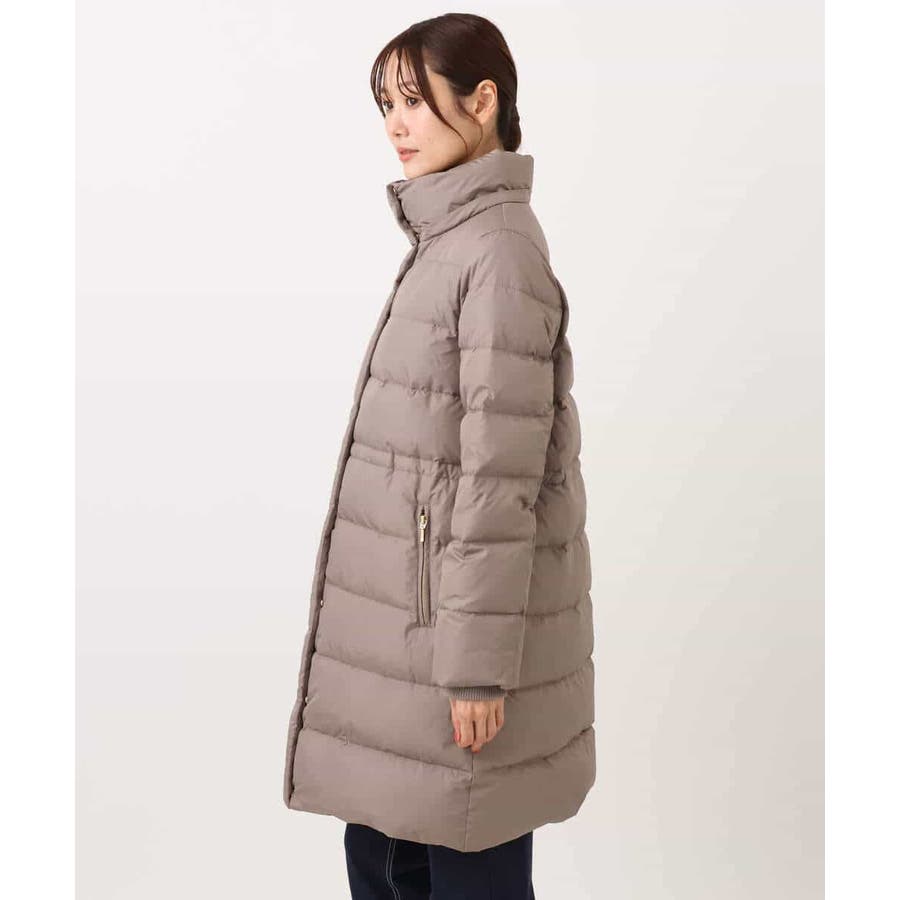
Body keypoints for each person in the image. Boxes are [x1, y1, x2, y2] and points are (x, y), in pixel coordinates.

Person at [283, 13, 595, 898]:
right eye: (386, 104)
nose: (396, 124)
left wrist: (479, 670)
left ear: (483, 101)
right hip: (407, 651)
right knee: (385, 863)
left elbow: (502, 478)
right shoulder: (449, 242)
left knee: (466, 872)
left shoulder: (495, 254)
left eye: (415, 101)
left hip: (452, 660)